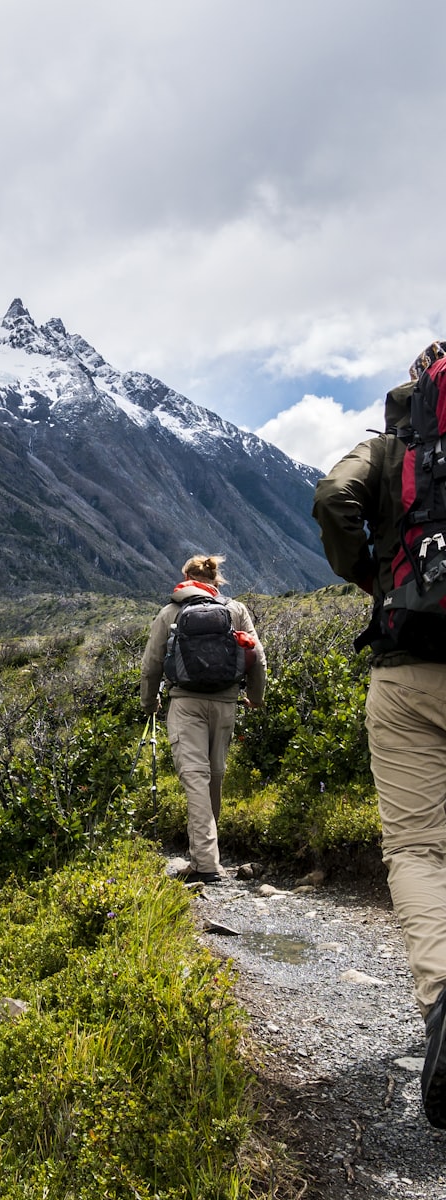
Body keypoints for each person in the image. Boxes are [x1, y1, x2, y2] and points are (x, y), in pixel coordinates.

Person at [312, 341, 446, 1129]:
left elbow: (333, 497)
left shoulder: (392, 447)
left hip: (405, 666)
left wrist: (369, 574)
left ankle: (441, 1005)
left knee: (420, 849)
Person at [140, 554, 266, 884]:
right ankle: (206, 855)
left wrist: (150, 702)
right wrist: (255, 696)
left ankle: (206, 863)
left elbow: (151, 664)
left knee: (195, 777)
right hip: (225, 704)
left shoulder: (170, 612)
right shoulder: (235, 610)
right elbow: (258, 657)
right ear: (215, 580)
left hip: (186, 704)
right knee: (215, 777)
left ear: (185, 578)